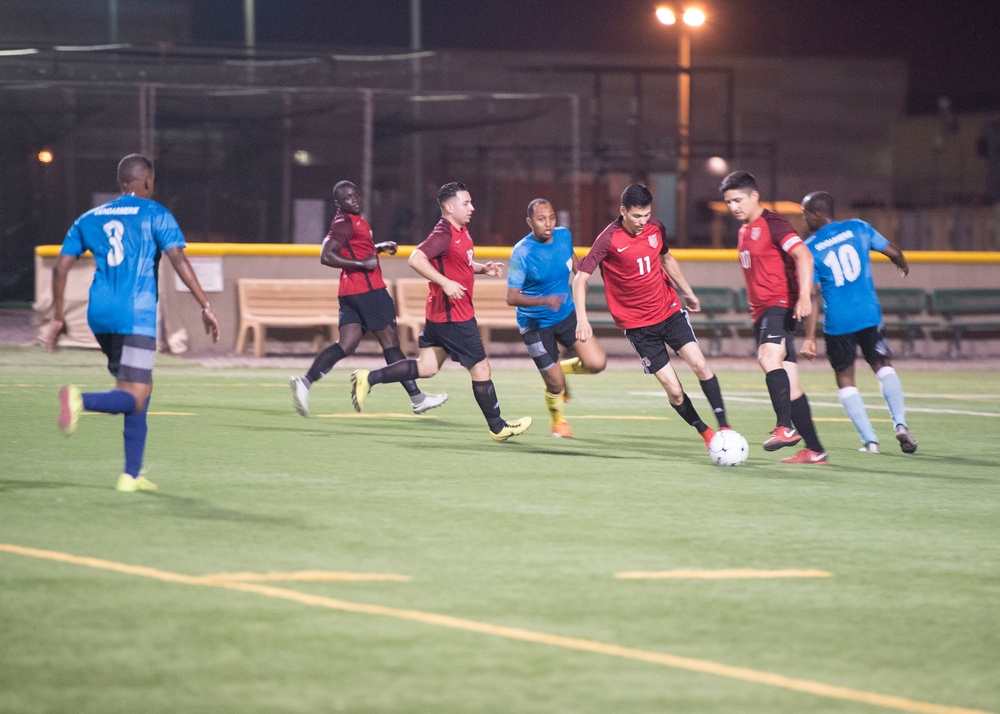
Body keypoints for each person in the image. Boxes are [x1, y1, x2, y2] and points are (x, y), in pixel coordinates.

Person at [44, 154, 221, 492]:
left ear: (120, 182)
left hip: (99, 314)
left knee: (138, 386)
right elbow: (178, 259)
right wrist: (205, 304)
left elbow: (60, 268)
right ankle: (79, 399)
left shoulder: (89, 218)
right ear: (148, 182)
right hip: (135, 313)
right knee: (134, 397)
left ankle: (131, 475)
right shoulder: (156, 214)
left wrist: (56, 318)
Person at [350, 182, 532, 442]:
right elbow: (416, 258)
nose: (472, 207)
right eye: (466, 203)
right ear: (449, 207)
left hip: (441, 315)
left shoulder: (461, 231)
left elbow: (459, 262)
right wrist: (445, 283)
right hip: (454, 316)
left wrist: (482, 268)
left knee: (427, 367)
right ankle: (498, 427)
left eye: (470, 202)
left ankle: (368, 377)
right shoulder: (443, 232)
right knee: (481, 369)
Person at [573, 183, 732, 449]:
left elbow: (667, 260)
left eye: (646, 215)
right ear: (623, 211)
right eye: (636, 216)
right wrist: (582, 319)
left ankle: (725, 427)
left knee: (701, 365)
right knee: (674, 390)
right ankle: (705, 432)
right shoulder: (608, 239)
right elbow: (580, 279)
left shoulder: (655, 228)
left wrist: (688, 292)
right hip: (639, 328)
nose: (642, 222)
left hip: (669, 312)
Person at [289, 181, 447, 417]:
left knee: (346, 344)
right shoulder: (343, 222)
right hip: (369, 291)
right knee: (391, 344)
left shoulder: (353, 220)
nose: (353, 199)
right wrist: (362, 264)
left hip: (350, 293)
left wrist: (378, 248)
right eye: (347, 198)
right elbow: (326, 255)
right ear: (337, 204)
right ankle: (417, 398)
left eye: (355, 195)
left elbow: (355, 248)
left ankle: (306, 382)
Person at [720, 170, 827, 464]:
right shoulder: (745, 231)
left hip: (778, 306)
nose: (733, 207)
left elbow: (804, 255)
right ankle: (816, 451)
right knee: (790, 386)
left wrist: (804, 296)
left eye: (738, 200)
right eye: (729, 202)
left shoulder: (774, 224)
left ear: (755, 196)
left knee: (768, 359)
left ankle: (785, 428)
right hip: (763, 312)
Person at [799, 191, 918, 454]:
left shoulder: (809, 248)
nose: (803, 218)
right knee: (884, 367)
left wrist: (809, 337)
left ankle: (869, 441)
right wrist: (903, 264)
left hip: (838, 323)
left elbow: (812, 296)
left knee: (845, 380)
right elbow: (894, 252)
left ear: (817, 215)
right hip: (868, 315)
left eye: (805, 213)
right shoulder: (859, 227)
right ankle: (900, 423)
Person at [506, 199, 607, 438]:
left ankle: (558, 369)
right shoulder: (522, 252)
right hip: (535, 324)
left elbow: (573, 262)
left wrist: (582, 275)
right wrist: (545, 300)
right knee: (556, 386)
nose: (548, 224)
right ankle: (558, 423)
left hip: (565, 315)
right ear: (530, 222)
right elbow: (511, 298)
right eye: (541, 219)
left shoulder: (563, 236)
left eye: (551, 217)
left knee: (597, 363)